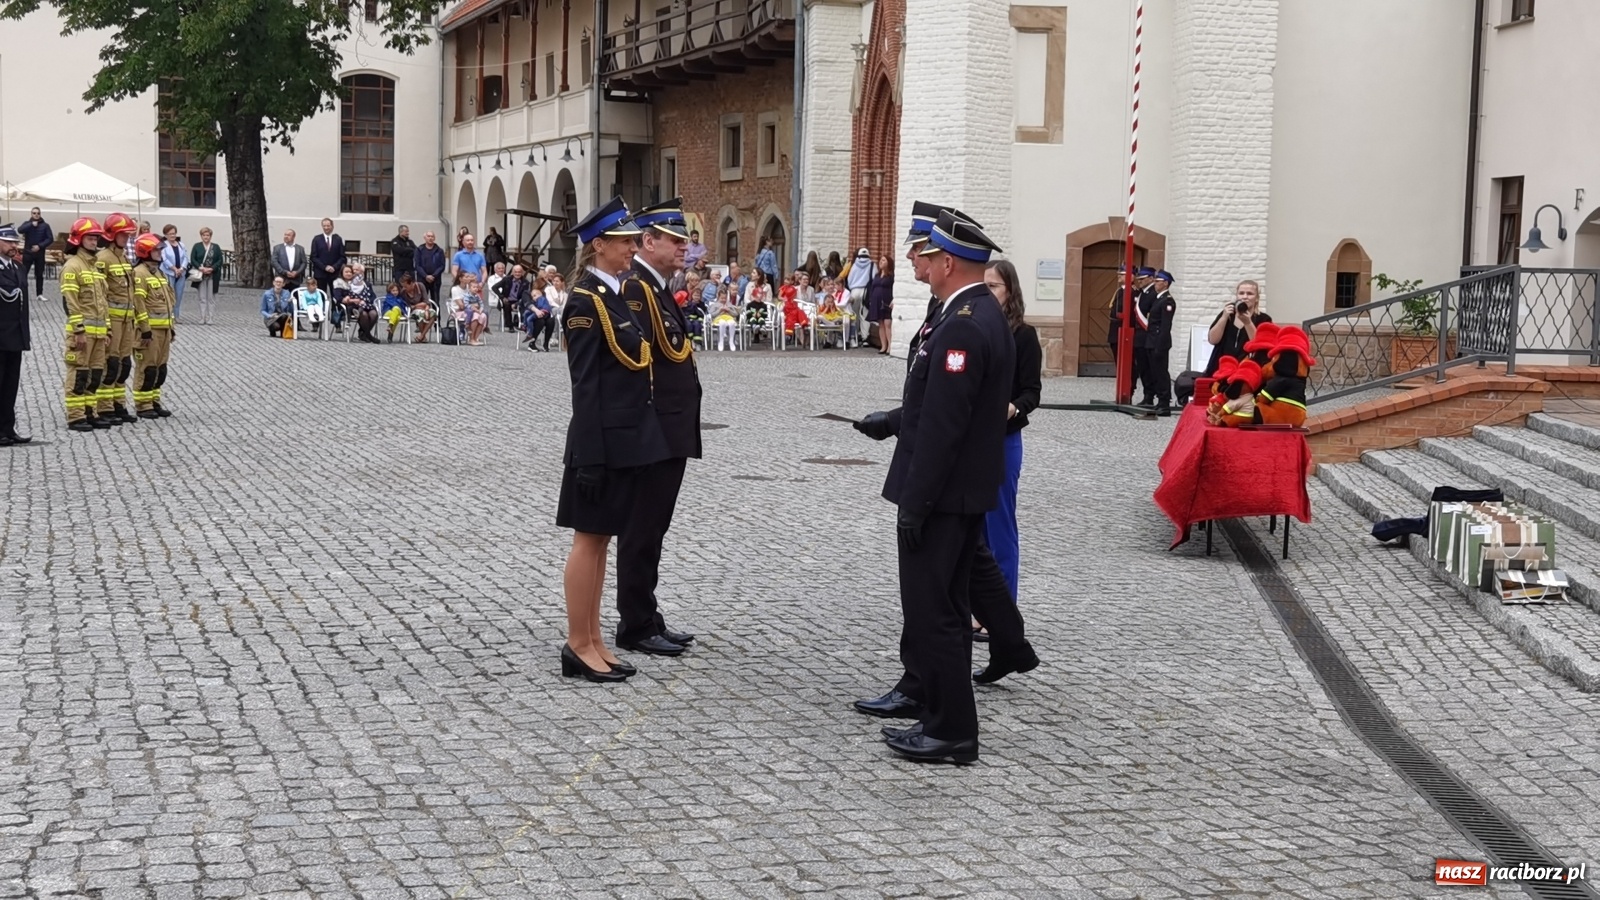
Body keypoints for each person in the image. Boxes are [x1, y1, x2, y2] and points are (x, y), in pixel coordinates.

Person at [851, 201, 1037, 747]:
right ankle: (941, 714)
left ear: (949, 261)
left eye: (923, 253)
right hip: (959, 492)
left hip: (944, 495)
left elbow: (944, 427)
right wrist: (893, 421)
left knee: (933, 612)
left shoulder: (963, 326)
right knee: (950, 608)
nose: (915, 260)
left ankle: (951, 730)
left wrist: (917, 500)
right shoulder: (978, 315)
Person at [556, 196, 670, 683]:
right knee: (589, 541)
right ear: (597, 245)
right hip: (598, 444)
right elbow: (586, 387)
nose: (631, 249)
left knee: (602, 543)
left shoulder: (617, 296)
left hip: (625, 441)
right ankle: (577, 644)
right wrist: (590, 457)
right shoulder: (585, 304)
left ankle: (595, 637)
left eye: (631, 241)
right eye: (622, 242)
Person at [611, 198, 702, 656]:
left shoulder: (657, 287)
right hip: (656, 430)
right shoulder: (636, 289)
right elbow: (638, 364)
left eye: (685, 240)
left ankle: (647, 613)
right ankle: (636, 623)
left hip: (670, 428)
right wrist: (644, 431)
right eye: (675, 240)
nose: (684, 247)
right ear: (649, 242)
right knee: (642, 528)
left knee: (654, 527)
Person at [981, 259, 1041, 604]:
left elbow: (1032, 391)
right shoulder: (975, 326)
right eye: (983, 286)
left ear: (1010, 291)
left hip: (1003, 439)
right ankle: (976, 604)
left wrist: (1013, 407)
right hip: (972, 438)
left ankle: (1000, 610)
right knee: (974, 529)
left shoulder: (1023, 335)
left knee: (999, 526)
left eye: (994, 287)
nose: (988, 293)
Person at [59, 218, 111, 432]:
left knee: (95, 375)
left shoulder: (95, 267)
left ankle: (90, 412)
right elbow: (71, 303)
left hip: (98, 334)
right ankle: (75, 416)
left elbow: (103, 303)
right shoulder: (72, 266)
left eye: (96, 238)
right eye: (90, 238)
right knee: (79, 375)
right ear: (78, 240)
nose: (94, 241)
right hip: (82, 335)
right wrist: (79, 330)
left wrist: (107, 329)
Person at [95, 213, 140, 425]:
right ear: (112, 235)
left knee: (123, 364)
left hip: (127, 321)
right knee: (110, 363)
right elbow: (100, 294)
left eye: (129, 234)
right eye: (123, 234)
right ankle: (104, 407)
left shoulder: (123, 257)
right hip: (112, 320)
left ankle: (118, 403)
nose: (127, 238)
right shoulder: (103, 259)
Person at [129, 232, 176, 418]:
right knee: (146, 368)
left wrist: (171, 328)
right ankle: (143, 404)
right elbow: (138, 303)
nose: (160, 253)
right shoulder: (139, 274)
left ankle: (154, 401)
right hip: (148, 332)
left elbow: (168, 303)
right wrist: (145, 330)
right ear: (146, 251)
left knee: (160, 368)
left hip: (163, 330)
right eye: (157, 250)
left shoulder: (159, 272)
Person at [0, 224, 32, 446]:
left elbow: (23, 306)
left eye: (15, 242)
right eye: (9, 242)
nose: (14, 246)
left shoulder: (18, 268)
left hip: (15, 337)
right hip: (0, 337)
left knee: (10, 385)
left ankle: (7, 428)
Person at [1204, 279, 1271, 376]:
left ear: (1257, 298)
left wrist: (1248, 322)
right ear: (1237, 296)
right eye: (1241, 293)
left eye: (1250, 294)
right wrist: (1224, 317)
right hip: (1220, 369)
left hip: (1247, 373)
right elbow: (1213, 340)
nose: (1245, 297)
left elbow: (1259, 346)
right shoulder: (1228, 315)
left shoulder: (1264, 319)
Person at [1137, 269, 1178, 414]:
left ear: (1165, 283)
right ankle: (1159, 400)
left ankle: (1164, 402)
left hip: (1159, 343)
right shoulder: (1158, 299)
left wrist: (1159, 345)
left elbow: (1165, 326)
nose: (1155, 284)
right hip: (1151, 341)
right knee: (1154, 372)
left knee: (1161, 373)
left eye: (1158, 282)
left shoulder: (1167, 301)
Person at [189, 227, 224, 325]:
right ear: (201, 236)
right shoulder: (197, 246)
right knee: (202, 297)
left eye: (207, 235)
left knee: (211, 297)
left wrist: (212, 268)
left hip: (213, 275)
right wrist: (201, 268)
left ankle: (211, 317)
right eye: (204, 235)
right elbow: (193, 259)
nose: (206, 237)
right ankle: (202, 317)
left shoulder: (215, 247)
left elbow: (220, 260)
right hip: (201, 275)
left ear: (210, 236)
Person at [18, 209, 53, 300]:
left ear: (40, 214)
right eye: (34, 213)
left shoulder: (45, 226)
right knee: (23, 273)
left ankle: (39, 294)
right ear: (31, 214)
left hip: (40, 253)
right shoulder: (27, 224)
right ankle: (22, 292)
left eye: (38, 213)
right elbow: (20, 230)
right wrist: (30, 224)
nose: (36, 215)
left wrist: (40, 246)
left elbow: (50, 239)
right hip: (28, 253)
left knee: (39, 274)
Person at [845, 248, 876, 348]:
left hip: (854, 291)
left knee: (854, 314)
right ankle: (864, 337)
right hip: (866, 291)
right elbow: (874, 277)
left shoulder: (854, 265)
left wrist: (852, 288)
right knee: (865, 315)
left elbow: (849, 279)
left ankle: (853, 336)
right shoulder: (872, 264)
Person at [866, 254, 895, 354]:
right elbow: (872, 288)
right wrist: (870, 299)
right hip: (876, 301)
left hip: (886, 301)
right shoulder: (877, 275)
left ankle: (890, 346)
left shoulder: (891, 276)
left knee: (888, 323)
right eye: (881, 260)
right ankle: (883, 346)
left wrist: (894, 299)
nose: (881, 262)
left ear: (888, 263)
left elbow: (894, 288)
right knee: (881, 324)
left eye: (883, 260)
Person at [160, 225, 188, 323]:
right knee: (169, 294)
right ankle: (169, 315)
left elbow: (185, 258)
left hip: (181, 274)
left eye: (174, 233)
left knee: (178, 295)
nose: (173, 235)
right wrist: (174, 269)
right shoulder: (163, 245)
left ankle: (176, 315)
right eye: (170, 234)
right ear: (166, 235)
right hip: (169, 272)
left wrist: (181, 269)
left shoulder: (181, 245)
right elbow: (164, 259)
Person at [347, 263, 381, 344]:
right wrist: (357, 300)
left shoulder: (366, 284)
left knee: (374, 314)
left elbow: (373, 296)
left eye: (357, 270)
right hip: (354, 306)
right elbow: (346, 296)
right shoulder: (348, 283)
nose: (355, 272)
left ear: (362, 272)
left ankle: (363, 333)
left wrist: (366, 300)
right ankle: (368, 335)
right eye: (353, 270)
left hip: (367, 305)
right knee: (364, 314)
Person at [310, 217, 346, 293]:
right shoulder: (317, 239)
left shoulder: (338, 239)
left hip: (334, 273)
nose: (326, 228)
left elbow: (342, 257)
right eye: (324, 226)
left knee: (336, 296)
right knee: (321, 295)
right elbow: (313, 257)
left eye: (328, 226)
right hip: (320, 273)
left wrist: (334, 267)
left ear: (332, 226)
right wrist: (324, 267)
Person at [416, 231, 446, 305]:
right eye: (428, 236)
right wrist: (425, 276)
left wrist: (434, 275)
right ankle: (423, 316)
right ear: (425, 238)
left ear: (434, 238)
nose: (430, 238)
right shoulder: (419, 250)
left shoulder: (439, 251)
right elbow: (417, 265)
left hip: (435, 280)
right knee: (422, 301)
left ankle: (436, 316)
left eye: (432, 236)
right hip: (422, 279)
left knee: (435, 301)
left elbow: (442, 265)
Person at [711, 284, 738, 351]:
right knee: (722, 322)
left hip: (728, 318)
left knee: (732, 323)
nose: (723, 300)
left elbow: (735, 314)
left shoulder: (729, 304)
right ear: (718, 297)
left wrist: (729, 310)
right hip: (719, 318)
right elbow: (712, 314)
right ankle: (721, 341)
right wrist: (719, 310)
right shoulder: (715, 305)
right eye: (722, 298)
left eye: (725, 298)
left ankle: (731, 341)